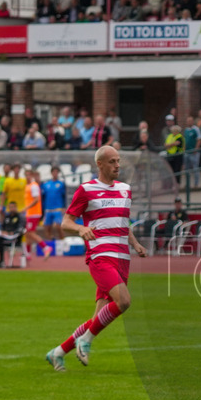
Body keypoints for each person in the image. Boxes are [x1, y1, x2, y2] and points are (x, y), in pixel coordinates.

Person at [45, 146, 148, 372]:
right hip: (100, 256)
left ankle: (58, 352)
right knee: (124, 301)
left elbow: (123, 223)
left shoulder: (125, 190)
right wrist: (80, 229)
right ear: (99, 164)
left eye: (118, 161)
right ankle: (86, 340)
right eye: (112, 161)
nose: (117, 165)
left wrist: (135, 243)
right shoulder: (86, 190)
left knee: (98, 318)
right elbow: (66, 222)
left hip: (123, 258)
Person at [22, 168, 52, 260]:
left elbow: (36, 199)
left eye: (29, 175)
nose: (27, 177)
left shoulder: (33, 186)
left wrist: (26, 208)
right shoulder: (27, 186)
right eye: (26, 175)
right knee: (28, 234)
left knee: (30, 233)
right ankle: (27, 254)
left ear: (32, 176)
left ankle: (45, 247)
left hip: (34, 213)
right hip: (30, 213)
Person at [0, 201, 23, 268]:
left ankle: (1, 261)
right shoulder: (7, 217)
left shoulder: (19, 217)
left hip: (14, 238)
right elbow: (2, 226)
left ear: (16, 207)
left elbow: (21, 228)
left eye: (13, 207)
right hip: (4, 236)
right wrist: (2, 231)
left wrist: (11, 233)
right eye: (10, 207)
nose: (11, 209)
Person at [41, 167, 67, 241]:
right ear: (51, 173)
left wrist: (64, 207)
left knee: (59, 226)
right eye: (54, 172)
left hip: (58, 208)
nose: (55, 173)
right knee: (47, 227)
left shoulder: (61, 184)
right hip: (48, 209)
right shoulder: (46, 184)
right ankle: (50, 243)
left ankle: (63, 241)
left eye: (56, 172)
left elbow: (64, 196)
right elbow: (43, 197)